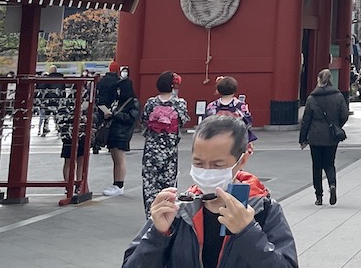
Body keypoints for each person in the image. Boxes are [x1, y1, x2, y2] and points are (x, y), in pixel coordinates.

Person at [124, 114, 297, 267]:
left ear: (241, 160)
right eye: (198, 163)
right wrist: (158, 234)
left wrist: (248, 232)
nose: (206, 171)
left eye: (217, 165)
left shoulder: (264, 210)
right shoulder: (179, 212)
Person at [141, 72, 191, 214]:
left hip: (152, 147)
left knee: (150, 183)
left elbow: (144, 119)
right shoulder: (179, 103)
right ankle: (167, 214)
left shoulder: (151, 103)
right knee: (168, 183)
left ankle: (150, 214)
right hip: (169, 148)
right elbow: (183, 120)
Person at [299, 69, 349, 206]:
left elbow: (306, 120)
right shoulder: (338, 96)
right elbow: (344, 114)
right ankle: (332, 185)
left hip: (315, 136)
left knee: (317, 166)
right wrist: (337, 125)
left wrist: (303, 138)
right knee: (329, 163)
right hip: (331, 135)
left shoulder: (312, 98)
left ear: (319, 80)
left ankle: (319, 196)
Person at [97, 62, 141, 198]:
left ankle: (119, 184)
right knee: (115, 158)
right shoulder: (119, 102)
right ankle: (116, 183)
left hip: (122, 132)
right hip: (114, 130)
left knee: (120, 159)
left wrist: (114, 114)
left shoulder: (132, 102)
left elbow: (130, 117)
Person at [204, 76, 257, 144]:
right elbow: (248, 123)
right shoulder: (240, 106)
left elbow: (205, 124)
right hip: (236, 139)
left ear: (219, 90)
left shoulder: (212, 106)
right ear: (235, 89)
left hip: (216, 139)